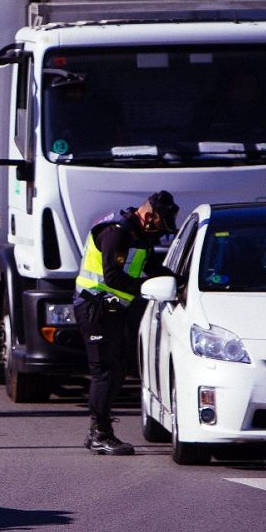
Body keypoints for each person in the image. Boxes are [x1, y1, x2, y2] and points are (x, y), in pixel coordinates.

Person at [73, 190, 180, 456]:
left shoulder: (140, 236)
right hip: (94, 307)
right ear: (148, 215)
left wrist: (180, 283)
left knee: (118, 370)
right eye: (159, 226)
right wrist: (146, 289)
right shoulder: (116, 233)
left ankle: (99, 431)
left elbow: (153, 267)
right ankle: (100, 434)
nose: (160, 233)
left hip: (111, 309)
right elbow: (112, 278)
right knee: (104, 372)